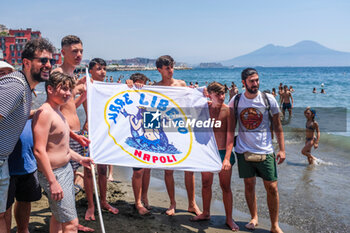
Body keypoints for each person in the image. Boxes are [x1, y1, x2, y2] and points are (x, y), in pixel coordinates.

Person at [127, 56, 201, 216]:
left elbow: (192, 103)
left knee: (189, 169)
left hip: (182, 129)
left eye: (172, 67)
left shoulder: (181, 85)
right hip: (165, 130)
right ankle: (172, 203)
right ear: (159, 70)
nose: (170, 70)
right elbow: (145, 105)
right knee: (168, 170)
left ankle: (192, 204)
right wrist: (133, 86)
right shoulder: (155, 87)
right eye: (167, 68)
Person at [0, 38, 55, 233]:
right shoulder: (16, 84)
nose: (48, 65)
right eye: (42, 60)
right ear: (26, 62)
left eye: (51, 61)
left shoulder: (26, 88)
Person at [33, 71, 93, 233]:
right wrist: (53, 182)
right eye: (64, 89)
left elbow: (62, 147)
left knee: (58, 217)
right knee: (72, 224)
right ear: (50, 89)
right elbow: (39, 150)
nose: (68, 93)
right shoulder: (45, 113)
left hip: (64, 170)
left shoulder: (58, 111)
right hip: (54, 174)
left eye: (69, 90)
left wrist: (80, 159)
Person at [229, 68, 285, 233]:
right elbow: (230, 126)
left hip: (266, 150)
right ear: (243, 82)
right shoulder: (236, 101)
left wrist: (282, 149)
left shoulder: (268, 99)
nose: (255, 83)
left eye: (257, 80)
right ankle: (254, 217)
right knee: (249, 184)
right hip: (243, 150)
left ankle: (274, 225)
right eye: (252, 81)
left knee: (272, 187)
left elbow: (277, 125)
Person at [52, 35, 93, 232]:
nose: (79, 55)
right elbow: (54, 110)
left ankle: (72, 221)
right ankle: (68, 224)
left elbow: (69, 106)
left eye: (81, 51)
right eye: (74, 51)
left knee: (70, 184)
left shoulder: (74, 76)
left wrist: (82, 93)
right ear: (63, 53)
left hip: (76, 133)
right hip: (65, 136)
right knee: (63, 185)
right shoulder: (57, 74)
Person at [190, 82, 239, 231]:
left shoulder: (228, 111)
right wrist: (197, 92)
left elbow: (231, 137)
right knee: (206, 183)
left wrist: (226, 158)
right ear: (210, 94)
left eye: (223, 93)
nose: (222, 97)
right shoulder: (204, 109)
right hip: (208, 152)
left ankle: (229, 219)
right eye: (217, 94)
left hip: (224, 152)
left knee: (225, 187)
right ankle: (205, 213)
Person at [82, 58, 119, 221]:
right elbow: (70, 103)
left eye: (104, 69)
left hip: (104, 132)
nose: (102, 72)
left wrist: (132, 84)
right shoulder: (86, 86)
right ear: (91, 70)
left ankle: (103, 201)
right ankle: (91, 205)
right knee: (89, 171)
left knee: (102, 170)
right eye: (98, 69)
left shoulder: (109, 87)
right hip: (90, 132)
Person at [4, 120, 42, 233]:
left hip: (28, 163)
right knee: (5, 206)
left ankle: (23, 229)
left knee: (25, 200)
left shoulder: (29, 107)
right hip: (6, 165)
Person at [127, 73, 153, 215]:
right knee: (138, 171)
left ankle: (145, 197)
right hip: (135, 137)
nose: (142, 86)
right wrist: (129, 83)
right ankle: (137, 202)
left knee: (147, 169)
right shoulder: (129, 92)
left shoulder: (149, 97)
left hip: (147, 134)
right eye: (140, 83)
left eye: (144, 83)